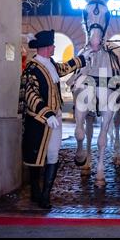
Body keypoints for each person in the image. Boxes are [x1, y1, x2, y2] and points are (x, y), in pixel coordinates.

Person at [18, 29, 90, 209]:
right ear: (43, 47)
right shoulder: (32, 68)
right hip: (38, 121)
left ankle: (45, 195)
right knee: (36, 158)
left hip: (55, 119)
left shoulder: (50, 63)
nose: (53, 48)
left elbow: (65, 68)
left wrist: (82, 58)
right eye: (51, 46)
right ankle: (35, 190)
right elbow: (31, 94)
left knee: (53, 155)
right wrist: (46, 113)